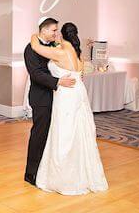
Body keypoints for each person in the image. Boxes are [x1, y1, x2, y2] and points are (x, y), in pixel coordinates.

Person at [29, 22, 108, 195]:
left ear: (62, 35)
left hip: (66, 94)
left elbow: (35, 46)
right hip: (79, 92)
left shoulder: (60, 51)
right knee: (80, 132)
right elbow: (80, 72)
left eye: (57, 31)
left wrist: (36, 34)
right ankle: (84, 174)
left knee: (64, 133)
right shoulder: (76, 52)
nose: (55, 34)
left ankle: (65, 178)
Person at [23, 17, 75, 187]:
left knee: (55, 134)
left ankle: (49, 170)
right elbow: (36, 74)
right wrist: (58, 82)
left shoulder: (54, 46)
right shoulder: (30, 49)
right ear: (43, 30)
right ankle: (31, 173)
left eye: (57, 30)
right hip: (41, 98)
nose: (56, 33)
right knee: (40, 134)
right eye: (53, 30)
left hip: (59, 98)